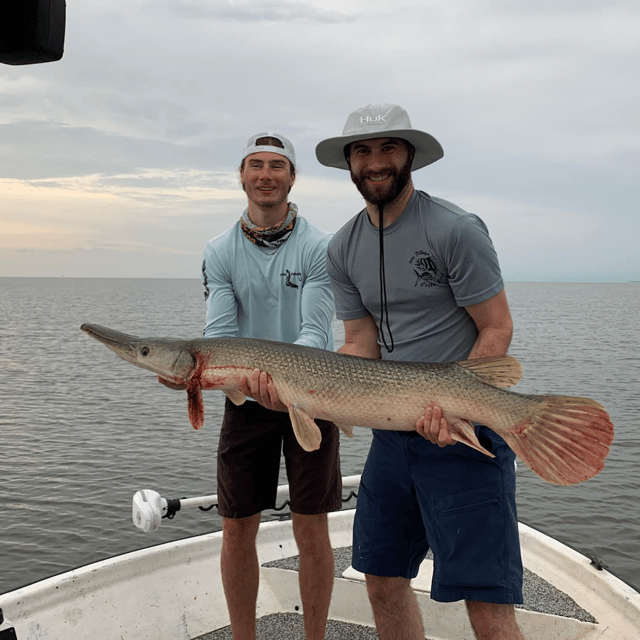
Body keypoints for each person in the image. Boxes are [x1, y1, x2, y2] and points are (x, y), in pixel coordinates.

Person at [315, 104, 525, 640]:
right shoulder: (341, 248)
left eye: (388, 148)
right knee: (382, 580)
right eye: (362, 151)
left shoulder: (456, 230)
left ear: (409, 155)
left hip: (464, 437)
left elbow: (496, 329)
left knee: (486, 604)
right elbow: (360, 343)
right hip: (393, 440)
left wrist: (457, 406)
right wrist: (306, 382)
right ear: (349, 163)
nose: (375, 161)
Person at [164, 132, 342, 640]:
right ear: (241, 176)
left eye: (277, 166)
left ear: (291, 177)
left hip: (310, 390)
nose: (266, 175)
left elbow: (314, 331)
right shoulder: (220, 250)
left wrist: (283, 382)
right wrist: (198, 374)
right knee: (237, 523)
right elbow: (219, 334)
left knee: (312, 524)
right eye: (256, 165)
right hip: (244, 397)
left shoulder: (318, 246)